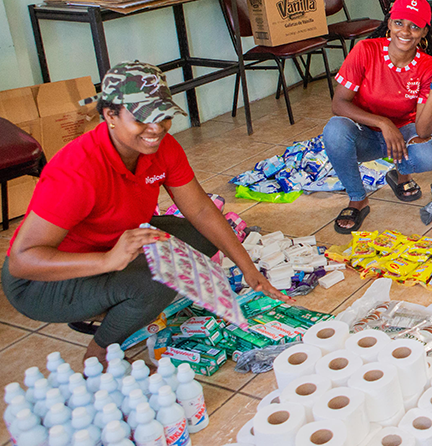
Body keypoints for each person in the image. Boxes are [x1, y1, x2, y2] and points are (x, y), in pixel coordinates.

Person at [1, 62, 284, 361]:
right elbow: (22, 262)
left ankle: (112, 297)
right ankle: (99, 352)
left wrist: (249, 269)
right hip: (41, 283)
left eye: (163, 116)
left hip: (112, 242)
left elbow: (200, 210)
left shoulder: (161, 146)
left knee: (201, 237)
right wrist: (108, 261)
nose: (156, 128)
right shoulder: (77, 172)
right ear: (110, 115)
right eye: (143, 118)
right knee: (156, 283)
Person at [323, 0, 432, 233]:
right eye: (399, 23)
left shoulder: (428, 66)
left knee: (430, 155)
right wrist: (383, 123)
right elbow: (339, 104)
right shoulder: (365, 50)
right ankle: (358, 198)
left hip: (404, 135)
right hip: (364, 134)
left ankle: (401, 175)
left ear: (424, 32)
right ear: (389, 23)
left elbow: (423, 130)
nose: (405, 32)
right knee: (334, 130)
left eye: (414, 26)